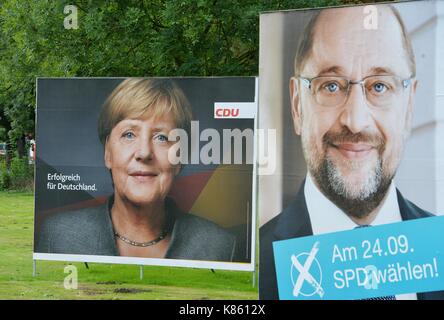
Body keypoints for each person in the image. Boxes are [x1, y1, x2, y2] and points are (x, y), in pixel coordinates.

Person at [260, 5, 444, 300]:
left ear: (409, 107)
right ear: (297, 105)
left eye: (380, 86)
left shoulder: (439, 250)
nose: (356, 120)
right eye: (331, 85)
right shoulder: (256, 264)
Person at [36, 78, 237, 262]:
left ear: (180, 159)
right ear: (108, 153)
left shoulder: (220, 246)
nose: (144, 152)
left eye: (162, 137)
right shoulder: (58, 235)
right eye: (129, 134)